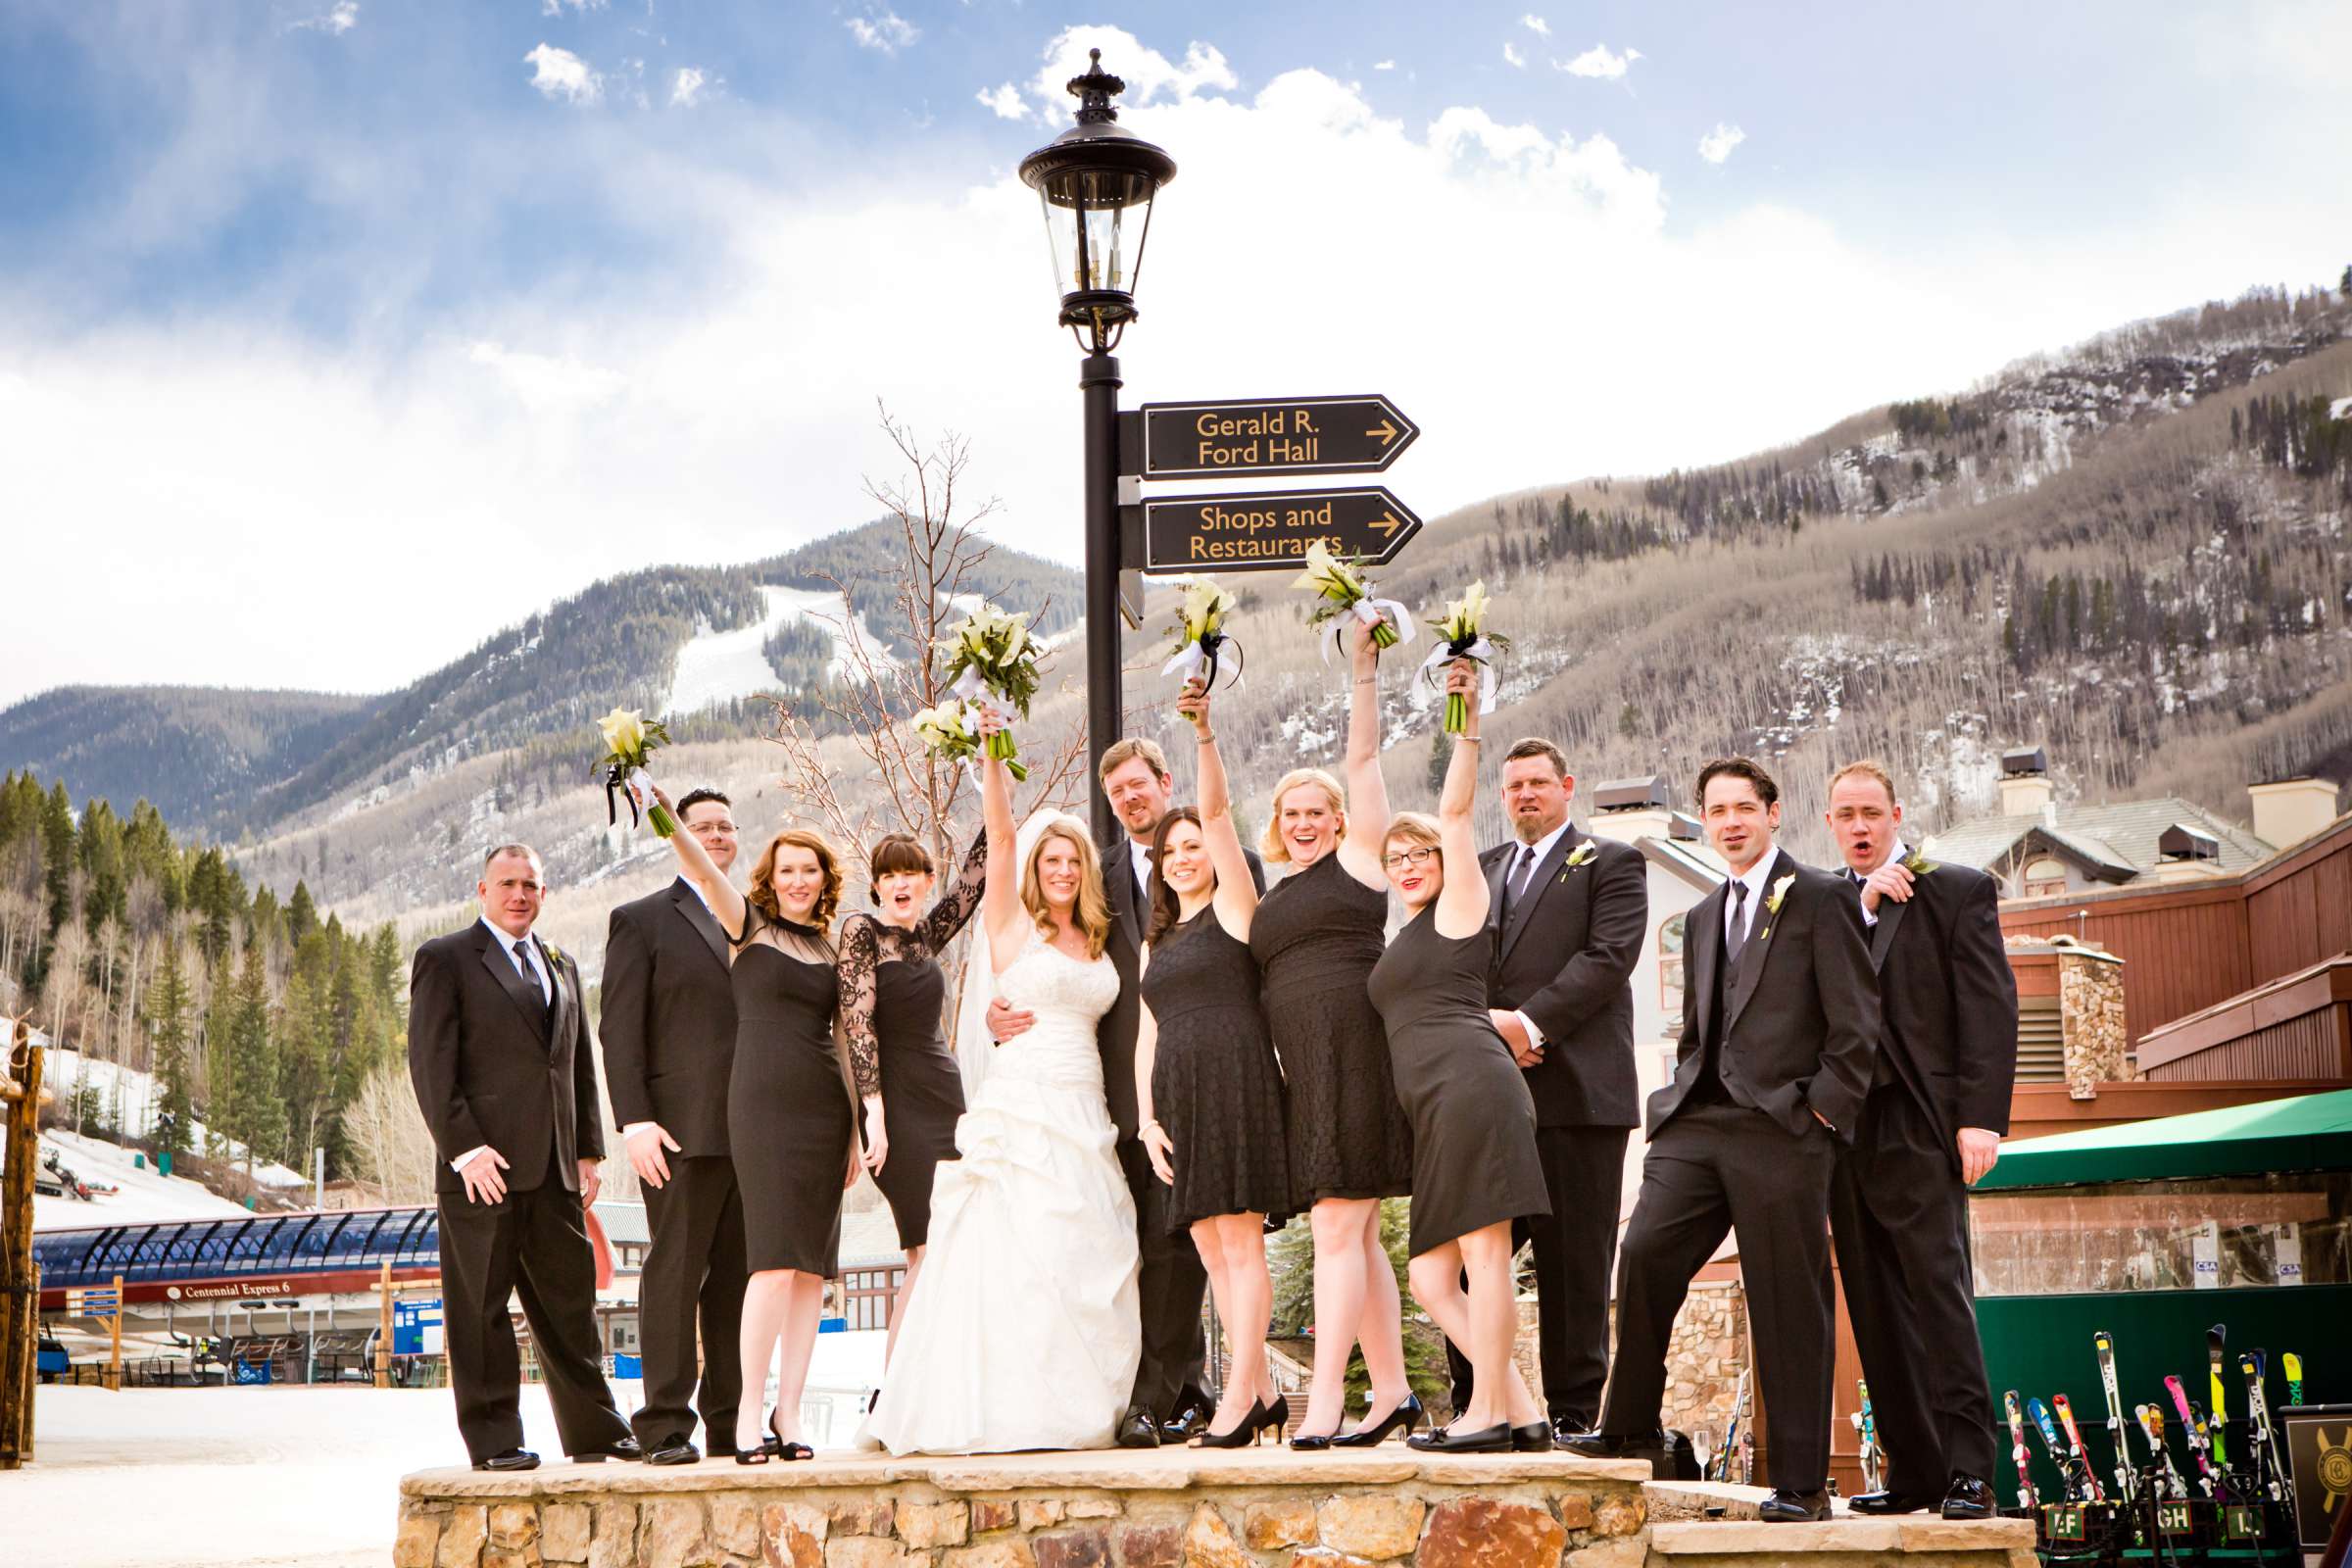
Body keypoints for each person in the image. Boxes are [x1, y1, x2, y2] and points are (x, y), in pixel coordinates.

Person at [1565, 758, 1879, 1522]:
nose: (1731, 821)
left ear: (1774, 813)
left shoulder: (1823, 899)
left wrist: (1820, 1117)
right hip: (1698, 1121)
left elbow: (1858, 1024)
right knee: (1640, 1256)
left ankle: (1802, 1484)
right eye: (1717, 810)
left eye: (1745, 807)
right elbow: (1700, 1030)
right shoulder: (1703, 915)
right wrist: (1678, 1095)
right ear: (1704, 821)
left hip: (1784, 1129)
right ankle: (1629, 1426)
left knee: (1785, 1300)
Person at [862, 714, 1141, 1454]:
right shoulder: (1012, 926)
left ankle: (1078, 1400)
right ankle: (1006, 1406)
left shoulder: (1101, 936)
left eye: (1070, 862)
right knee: (1020, 1249)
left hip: (1088, 1107)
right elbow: (1003, 836)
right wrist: (992, 754)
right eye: (1050, 862)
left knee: (1085, 1248)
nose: (1060, 872)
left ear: (1084, 869)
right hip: (1025, 1101)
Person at [990, 733, 1264, 1447]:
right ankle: (1179, 1388)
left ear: (1165, 781)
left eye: (1139, 785)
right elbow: (1042, 950)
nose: (1130, 799)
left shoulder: (1228, 862)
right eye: (1117, 793)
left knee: (1185, 1248)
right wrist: (1003, 1007)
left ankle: (1163, 1396)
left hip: (1209, 1081)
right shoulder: (1096, 873)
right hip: (1108, 1093)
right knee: (1131, 1247)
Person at [1823, 760, 2017, 1523]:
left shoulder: (1956, 888)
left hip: (1918, 1124)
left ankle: (1971, 1471)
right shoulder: (1826, 902)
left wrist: (1981, 1119)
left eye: (1872, 812)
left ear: (1896, 815)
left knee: (1939, 1300)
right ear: (1830, 823)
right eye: (1846, 815)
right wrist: (1860, 908)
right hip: (1846, 1133)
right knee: (1873, 1308)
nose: (1860, 826)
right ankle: (1915, 1474)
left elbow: (1988, 1008)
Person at [407, 844, 637, 1472]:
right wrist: (464, 1150)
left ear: (544, 892)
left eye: (530, 885)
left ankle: (596, 1431)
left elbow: (577, 1065)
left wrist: (588, 1149)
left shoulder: (559, 963)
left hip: (557, 1171)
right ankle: (494, 1441)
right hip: (482, 1172)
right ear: (482, 891)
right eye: (506, 884)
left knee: (571, 1308)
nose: (518, 895)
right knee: (480, 1312)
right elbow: (430, 1067)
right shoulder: (445, 959)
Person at [1371, 662, 1552, 1453]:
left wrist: (1467, 721)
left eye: (1421, 853)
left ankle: (1484, 1414)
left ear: (1446, 864)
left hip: (1475, 1087)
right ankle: (1522, 1409)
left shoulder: (1462, 908)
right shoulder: (1400, 935)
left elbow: (1453, 808)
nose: (1410, 864)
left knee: (1482, 1259)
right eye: (1396, 858)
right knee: (1430, 1278)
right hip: (1434, 1109)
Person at [648, 787, 858, 1465]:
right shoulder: (749, 926)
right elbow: (702, 867)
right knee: (770, 1266)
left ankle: (790, 1413)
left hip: (826, 1111)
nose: (799, 880)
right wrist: (663, 813)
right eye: (788, 869)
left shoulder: (832, 953)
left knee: (810, 1275)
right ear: (772, 878)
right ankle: (744, 1419)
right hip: (762, 1104)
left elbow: (850, 1045)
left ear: (824, 880)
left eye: (811, 870)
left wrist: (855, 1132)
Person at [1446, 738, 1645, 1443]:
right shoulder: (1485, 866)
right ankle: (1480, 1404)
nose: (1526, 795)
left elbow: (1608, 958)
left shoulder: (1613, 863)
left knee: (1574, 1265)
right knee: (1472, 1257)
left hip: (1579, 1095)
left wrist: (1527, 1027)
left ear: (1566, 786)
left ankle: (1570, 1412)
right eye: (1514, 787)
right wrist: (1481, 1038)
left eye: (1538, 783)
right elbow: (1460, 959)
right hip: (1495, 1098)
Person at [1249, 617, 1416, 1450]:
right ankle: (1391, 1392)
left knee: (1338, 1230)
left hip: (1358, 1056)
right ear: (1279, 822)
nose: (1308, 820)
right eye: (1293, 811)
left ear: (1342, 821)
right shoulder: (1273, 893)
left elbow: (1362, 762)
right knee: (1357, 1234)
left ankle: (1326, 1405)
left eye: (1320, 810)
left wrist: (1363, 669)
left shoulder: (1359, 866)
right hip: (1304, 1073)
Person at [1133, 677, 1293, 1446]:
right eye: (1171, 850)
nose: (1182, 858)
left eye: (1193, 847)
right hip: (1178, 1096)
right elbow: (1145, 1034)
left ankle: (1239, 1395)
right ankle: (1258, 1394)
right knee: (1205, 1244)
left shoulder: (1236, 908)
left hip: (1235, 1080)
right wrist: (1146, 1120)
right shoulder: (1153, 938)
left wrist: (1202, 735)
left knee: (1239, 1241)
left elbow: (1221, 815)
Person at [602, 788, 752, 1465]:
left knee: (740, 1283)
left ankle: (730, 1423)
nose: (717, 835)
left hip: (757, 1130)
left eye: (726, 826)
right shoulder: (641, 921)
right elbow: (619, 1032)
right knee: (674, 1276)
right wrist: (635, 1121)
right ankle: (663, 1424)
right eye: (703, 826)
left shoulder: (759, 917)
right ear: (677, 835)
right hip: (679, 1133)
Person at [835, 826, 989, 1365]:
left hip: (946, 1101)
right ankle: (894, 1388)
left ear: (927, 881)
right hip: (894, 1108)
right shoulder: (862, 932)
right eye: (887, 875)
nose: (899, 883)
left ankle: (939, 1380)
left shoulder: (926, 936)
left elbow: (976, 876)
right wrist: (873, 1116)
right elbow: (859, 1028)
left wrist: (991, 762)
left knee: (953, 1244)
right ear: (877, 885)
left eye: (910, 873)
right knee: (924, 1246)